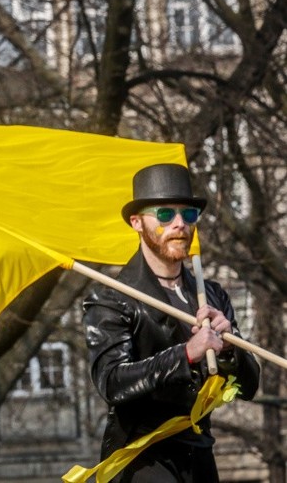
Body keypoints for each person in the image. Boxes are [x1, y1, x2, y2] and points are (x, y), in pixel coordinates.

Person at [83, 163, 260, 482]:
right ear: (136, 222)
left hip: (201, 457)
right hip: (142, 462)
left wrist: (231, 346)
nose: (179, 224)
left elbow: (249, 387)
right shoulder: (112, 299)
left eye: (188, 215)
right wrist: (186, 354)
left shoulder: (213, 295)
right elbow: (112, 383)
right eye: (165, 215)